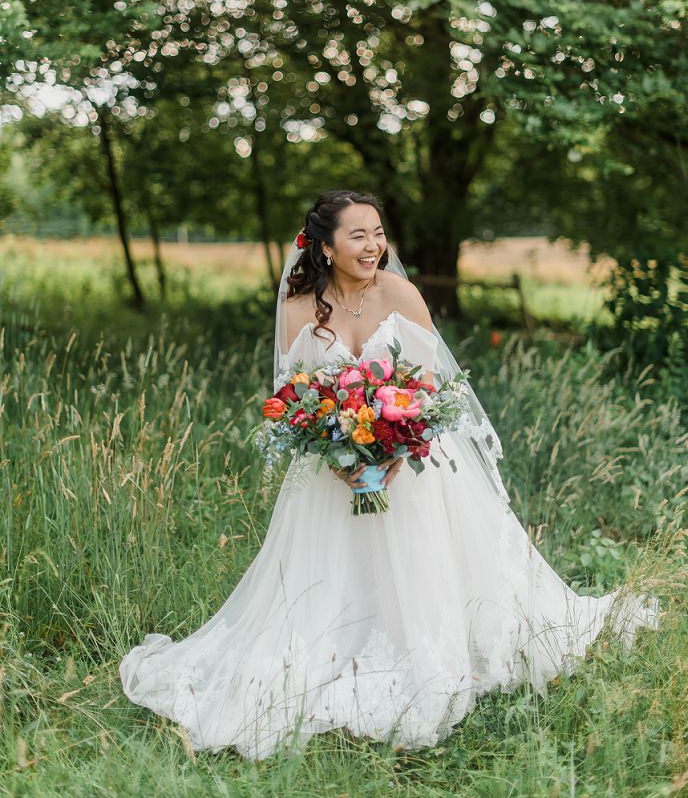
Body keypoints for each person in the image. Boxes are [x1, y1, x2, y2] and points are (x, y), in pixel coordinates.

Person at [119, 189, 660, 760]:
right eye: (358, 235)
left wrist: (399, 446)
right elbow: (296, 398)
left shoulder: (401, 294)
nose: (374, 245)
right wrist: (337, 457)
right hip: (332, 474)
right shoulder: (298, 309)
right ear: (325, 247)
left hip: (418, 467)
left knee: (429, 569)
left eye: (378, 233)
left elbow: (428, 388)